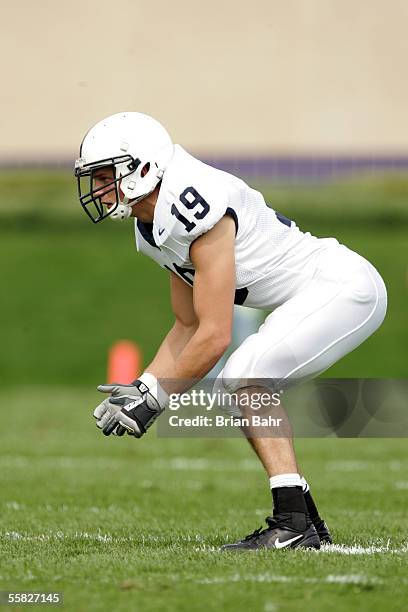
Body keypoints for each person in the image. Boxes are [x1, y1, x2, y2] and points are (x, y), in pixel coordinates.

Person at [75, 112, 387, 551]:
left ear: (143, 168)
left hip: (343, 286)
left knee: (244, 376)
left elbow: (215, 335)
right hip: (319, 290)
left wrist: (156, 401)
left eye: (107, 174)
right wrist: (142, 385)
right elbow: (189, 324)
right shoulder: (151, 227)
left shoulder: (192, 203)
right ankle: (304, 523)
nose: (99, 187)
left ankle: (293, 524)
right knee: (245, 378)